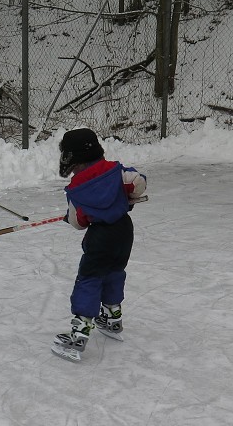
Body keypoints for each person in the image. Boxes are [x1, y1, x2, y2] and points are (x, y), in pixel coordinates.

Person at [52, 128, 147, 358]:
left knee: (89, 280)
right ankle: (113, 319)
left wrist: (72, 216)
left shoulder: (76, 189)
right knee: (114, 272)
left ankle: (80, 333)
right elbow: (138, 182)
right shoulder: (115, 171)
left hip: (100, 237)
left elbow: (78, 223)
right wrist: (129, 196)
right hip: (124, 231)